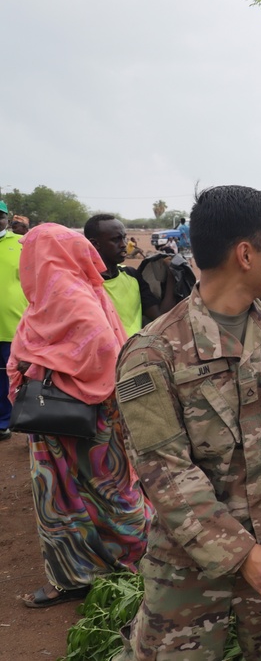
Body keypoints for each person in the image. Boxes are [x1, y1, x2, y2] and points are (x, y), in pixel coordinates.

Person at [113, 185, 261, 660]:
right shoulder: (152, 355)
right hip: (191, 571)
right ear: (245, 253)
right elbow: (164, 470)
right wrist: (241, 554)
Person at [8, 223, 151, 608]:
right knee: (64, 496)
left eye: (30, 252)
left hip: (85, 418)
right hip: (60, 418)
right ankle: (75, 576)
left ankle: (149, 560)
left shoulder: (69, 296)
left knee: (105, 495)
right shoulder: (60, 292)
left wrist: (37, 363)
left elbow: (104, 354)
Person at [85, 214, 172, 337]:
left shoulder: (132, 275)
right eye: (116, 239)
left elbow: (160, 317)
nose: (123, 244)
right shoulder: (84, 282)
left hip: (133, 353)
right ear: (95, 244)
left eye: (124, 238)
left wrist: (171, 274)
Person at [0, 200, 28, 441]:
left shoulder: (20, 245)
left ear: (7, 219)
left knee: (15, 378)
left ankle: (8, 422)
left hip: (13, 327)